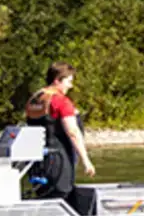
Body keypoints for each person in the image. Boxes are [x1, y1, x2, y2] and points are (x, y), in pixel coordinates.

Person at [24, 62, 95, 200]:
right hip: (58, 159)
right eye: (68, 81)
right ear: (57, 80)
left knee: (43, 194)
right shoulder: (60, 101)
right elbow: (73, 132)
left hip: (38, 161)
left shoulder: (35, 98)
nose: (71, 86)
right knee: (62, 193)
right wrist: (85, 160)